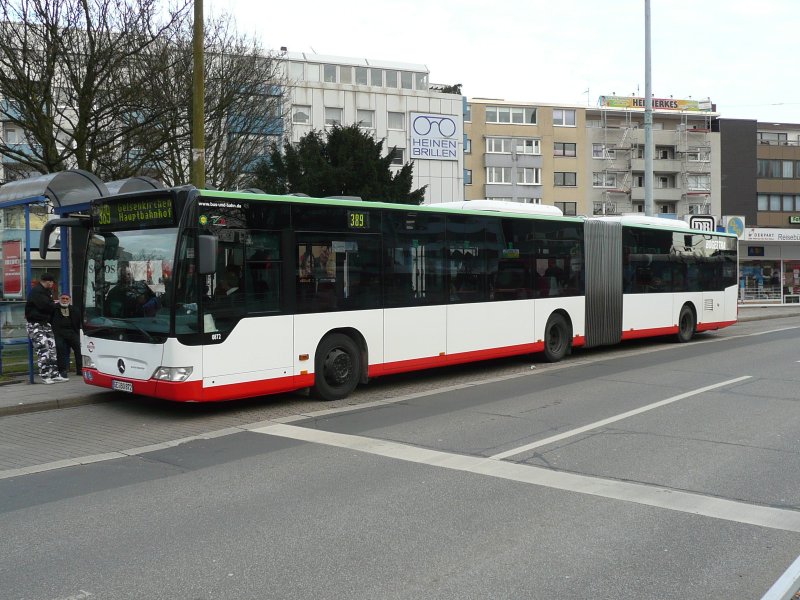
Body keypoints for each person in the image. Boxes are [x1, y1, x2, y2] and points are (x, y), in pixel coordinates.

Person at [24, 273, 64, 384]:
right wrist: (56, 305)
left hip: (45, 323)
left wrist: (52, 305)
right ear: (47, 281)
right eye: (51, 282)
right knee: (43, 350)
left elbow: (49, 305)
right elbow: (45, 306)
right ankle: (45, 376)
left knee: (52, 349)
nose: (52, 284)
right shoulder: (37, 291)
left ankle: (54, 374)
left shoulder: (46, 291)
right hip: (35, 324)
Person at [51, 293, 82, 380]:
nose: (64, 300)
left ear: (69, 300)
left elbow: (78, 322)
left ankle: (80, 369)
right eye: (63, 298)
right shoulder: (54, 308)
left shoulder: (74, 309)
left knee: (79, 347)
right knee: (60, 348)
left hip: (71, 332)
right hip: (59, 333)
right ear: (60, 299)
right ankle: (62, 370)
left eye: (66, 299)